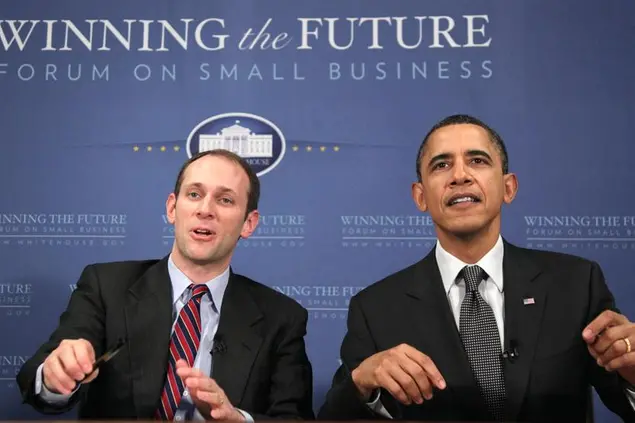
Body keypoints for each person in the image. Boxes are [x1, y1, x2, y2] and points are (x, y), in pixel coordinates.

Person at [318, 114, 635, 422]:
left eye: (478, 161)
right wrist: (362, 384)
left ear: (509, 187)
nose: (459, 176)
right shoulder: (376, 308)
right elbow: (332, 417)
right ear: (420, 197)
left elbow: (625, 401)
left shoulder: (576, 284)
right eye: (441, 165)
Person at [17, 149, 314, 420]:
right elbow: (36, 381)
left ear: (249, 223)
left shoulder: (282, 318)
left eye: (225, 200)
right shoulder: (106, 287)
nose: (205, 209)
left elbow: (295, 417)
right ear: (172, 208)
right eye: (195, 194)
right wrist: (56, 377)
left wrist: (238, 419)